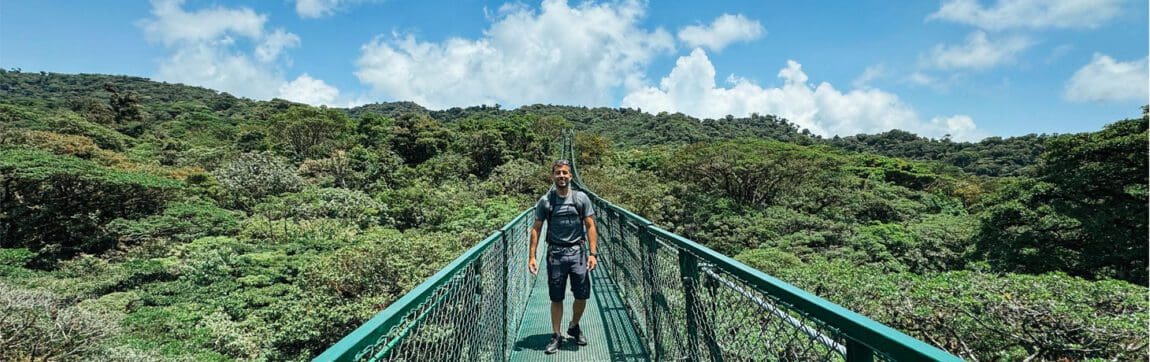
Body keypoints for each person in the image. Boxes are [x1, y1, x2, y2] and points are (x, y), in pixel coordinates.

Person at [529, 159, 598, 355]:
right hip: (556, 255)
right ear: (553, 176)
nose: (561, 176)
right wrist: (532, 256)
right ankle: (556, 335)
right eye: (558, 173)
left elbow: (591, 226)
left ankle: (574, 325)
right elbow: (536, 228)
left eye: (565, 173)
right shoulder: (546, 201)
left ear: (570, 176)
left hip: (578, 253)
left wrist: (593, 254)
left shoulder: (581, 198)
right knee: (556, 296)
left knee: (582, 295)